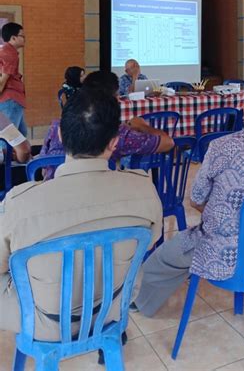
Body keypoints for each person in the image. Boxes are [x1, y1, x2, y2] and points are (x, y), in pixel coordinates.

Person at [131, 81, 244, 316]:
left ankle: (142, 305)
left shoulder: (220, 147)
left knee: (160, 260)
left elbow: (195, 199)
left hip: (219, 253)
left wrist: (227, 215)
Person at [0, 89, 163, 340]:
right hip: (111, 312)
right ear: (114, 142)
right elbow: (150, 242)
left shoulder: (21, 203)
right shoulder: (145, 190)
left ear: (61, 135)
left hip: (44, 323)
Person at [40, 71, 174, 179]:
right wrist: (142, 126)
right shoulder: (118, 133)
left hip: (51, 193)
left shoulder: (57, 126)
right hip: (102, 195)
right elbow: (168, 143)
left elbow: (41, 167)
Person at [0, 23, 27, 136]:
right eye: (22, 36)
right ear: (13, 38)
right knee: (10, 139)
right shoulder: (10, 54)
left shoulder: (5, 51)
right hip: (10, 100)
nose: (24, 39)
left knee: (21, 136)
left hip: (13, 100)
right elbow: (2, 81)